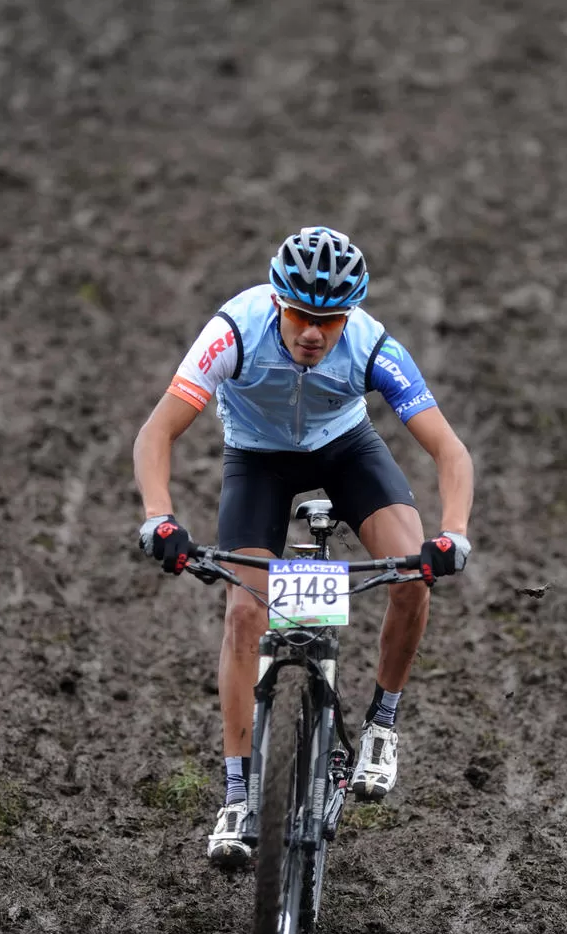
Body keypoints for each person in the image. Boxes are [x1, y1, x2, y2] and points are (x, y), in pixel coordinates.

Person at [134, 226, 473, 868]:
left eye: (329, 320)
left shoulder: (373, 344)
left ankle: (381, 725)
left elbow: (449, 448)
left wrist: (452, 532)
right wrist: (160, 517)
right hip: (257, 462)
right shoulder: (233, 330)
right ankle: (237, 798)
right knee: (244, 613)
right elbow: (157, 432)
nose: (313, 333)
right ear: (277, 302)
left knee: (411, 575)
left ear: (348, 316)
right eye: (300, 315)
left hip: (346, 451)